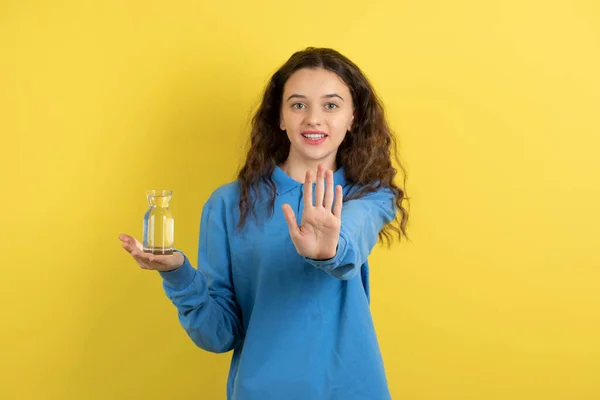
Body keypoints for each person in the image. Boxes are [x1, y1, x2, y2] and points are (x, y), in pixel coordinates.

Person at [120, 47, 409, 400]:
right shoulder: (228, 204)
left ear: (353, 118)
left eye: (331, 105)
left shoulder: (370, 196)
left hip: (352, 390)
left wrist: (329, 251)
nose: (314, 119)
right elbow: (219, 335)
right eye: (298, 104)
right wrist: (179, 274)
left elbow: (352, 233)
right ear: (280, 117)